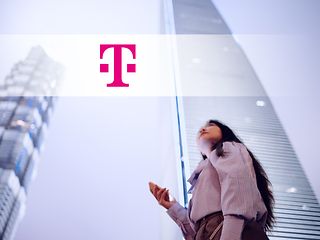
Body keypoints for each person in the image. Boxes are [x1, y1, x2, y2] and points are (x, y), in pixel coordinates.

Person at [150, 119, 275, 240]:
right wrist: (172, 206)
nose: (203, 129)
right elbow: (196, 230)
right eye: (201, 129)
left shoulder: (229, 148)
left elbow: (239, 196)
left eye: (211, 125)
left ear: (224, 132)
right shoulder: (202, 175)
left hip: (232, 230)